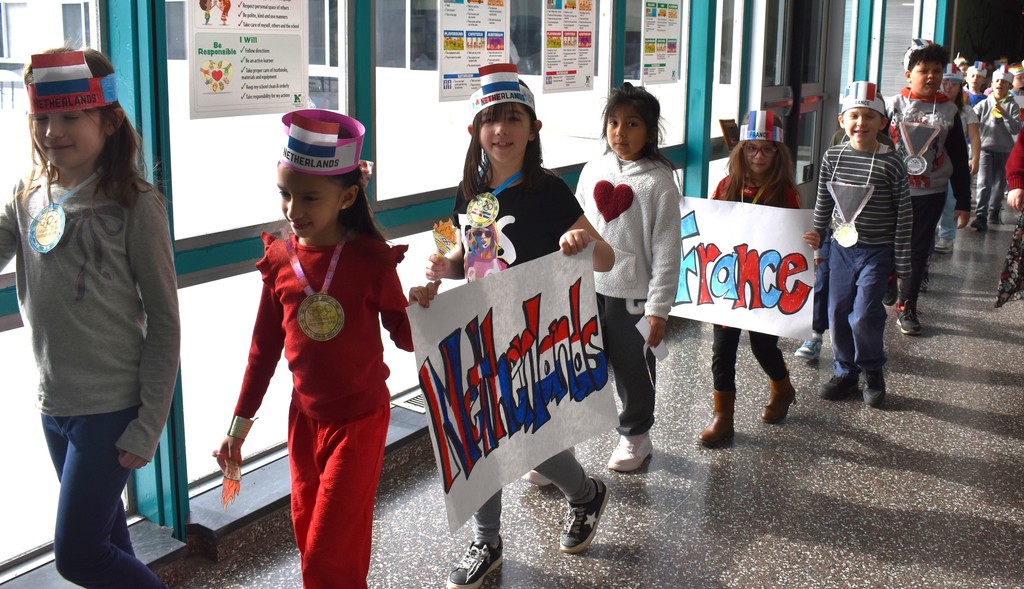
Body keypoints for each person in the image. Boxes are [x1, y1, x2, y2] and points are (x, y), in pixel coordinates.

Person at [408, 63, 615, 589]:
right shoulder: (473, 195)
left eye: (512, 118)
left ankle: (586, 494)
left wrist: (581, 242)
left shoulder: (548, 192)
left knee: (529, 435)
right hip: (482, 328)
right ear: (475, 131)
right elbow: (480, 260)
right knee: (484, 437)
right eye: (490, 120)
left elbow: (608, 260)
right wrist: (445, 269)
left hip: (535, 334)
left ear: (533, 128)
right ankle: (488, 540)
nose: (501, 130)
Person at [0, 48, 179, 588]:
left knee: (78, 557)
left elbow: (166, 324)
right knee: (107, 545)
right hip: (55, 405)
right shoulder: (28, 194)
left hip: (111, 410)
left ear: (108, 119)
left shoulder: (135, 204)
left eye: (70, 116)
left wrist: (149, 425)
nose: (52, 131)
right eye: (41, 117)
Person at [215, 109, 414, 589]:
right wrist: (237, 429)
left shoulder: (369, 260)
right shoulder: (281, 259)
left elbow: (407, 337)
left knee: (327, 558)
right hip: (304, 422)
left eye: (308, 197)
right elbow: (263, 350)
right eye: (284, 193)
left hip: (360, 421)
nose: (292, 209)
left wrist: (423, 304)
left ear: (346, 196)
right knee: (312, 542)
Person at [574, 82, 681, 472]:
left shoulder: (660, 182)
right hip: (588, 290)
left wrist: (659, 309)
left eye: (632, 124)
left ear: (650, 131)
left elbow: (669, 250)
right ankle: (561, 448)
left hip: (633, 296)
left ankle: (636, 436)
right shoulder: (593, 170)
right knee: (578, 365)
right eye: (614, 122)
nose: (620, 132)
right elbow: (576, 224)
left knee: (633, 368)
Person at [698, 110, 820, 447]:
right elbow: (711, 226)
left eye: (766, 149)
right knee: (723, 349)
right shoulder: (725, 185)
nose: (758, 156)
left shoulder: (786, 193)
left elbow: (794, 240)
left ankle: (782, 388)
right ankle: (723, 416)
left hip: (767, 286)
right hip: (729, 282)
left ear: (778, 153)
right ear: (740, 151)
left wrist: (810, 240)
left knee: (763, 346)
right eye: (751, 148)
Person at [814, 82, 912, 407]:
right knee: (838, 311)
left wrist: (901, 265)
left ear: (882, 123)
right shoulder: (833, 156)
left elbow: (904, 215)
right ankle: (845, 371)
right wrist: (817, 243)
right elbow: (822, 203)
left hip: (877, 250)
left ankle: (871, 369)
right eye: (854, 115)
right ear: (842, 120)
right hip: (841, 250)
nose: (861, 123)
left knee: (864, 313)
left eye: (869, 116)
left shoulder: (892, 162)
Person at [886, 40, 971, 335]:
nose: (932, 76)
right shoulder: (893, 105)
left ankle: (907, 305)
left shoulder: (949, 111)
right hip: (891, 191)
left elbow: (959, 157)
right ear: (909, 74)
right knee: (886, 241)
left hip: (931, 192)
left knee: (918, 249)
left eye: (937, 70)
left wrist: (963, 201)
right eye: (924, 70)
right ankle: (888, 277)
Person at [934, 63, 981, 254]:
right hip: (934, 161)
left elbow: (975, 136)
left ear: (960, 86)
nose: (948, 87)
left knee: (951, 200)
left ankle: (946, 236)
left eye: (953, 84)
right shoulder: (934, 107)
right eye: (945, 83)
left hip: (955, 161)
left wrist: (975, 158)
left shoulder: (967, 111)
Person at [969, 65, 1022, 231]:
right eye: (997, 81)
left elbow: (1016, 128)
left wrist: (1005, 114)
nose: (1000, 84)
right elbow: (971, 120)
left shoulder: (1013, 106)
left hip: (1005, 150)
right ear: (992, 83)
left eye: (1004, 82)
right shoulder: (984, 104)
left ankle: (994, 212)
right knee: (984, 182)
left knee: (1000, 184)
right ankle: (980, 215)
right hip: (985, 149)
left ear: (1009, 86)